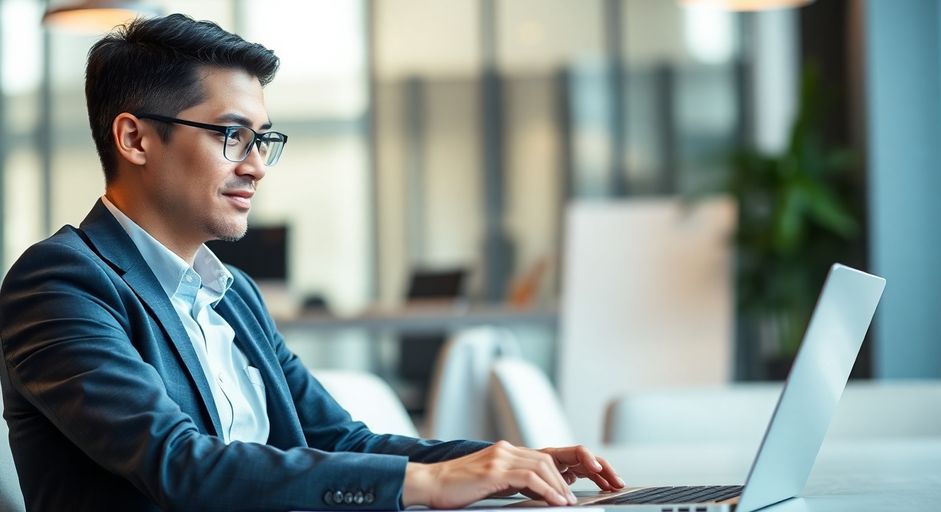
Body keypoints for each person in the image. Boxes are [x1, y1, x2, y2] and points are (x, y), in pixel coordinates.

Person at [0, 13, 624, 512]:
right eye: (231, 135)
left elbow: (340, 441)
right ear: (134, 138)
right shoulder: (61, 282)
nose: (256, 164)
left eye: (262, 139)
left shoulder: (232, 293)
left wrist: (503, 462)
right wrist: (429, 487)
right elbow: (179, 466)